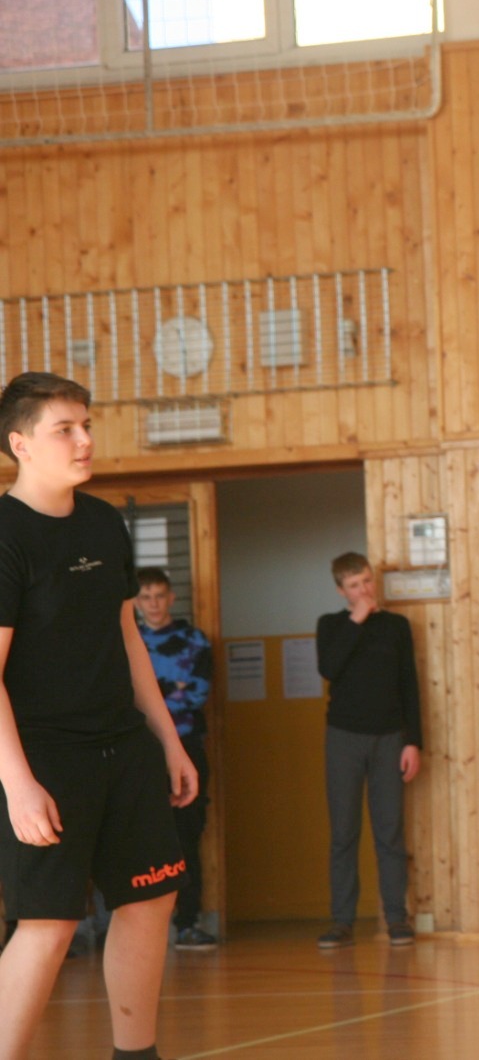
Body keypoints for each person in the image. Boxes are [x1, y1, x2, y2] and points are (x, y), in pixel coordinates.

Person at [0, 371, 200, 1060]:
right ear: (21, 444)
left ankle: (136, 1054)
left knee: (150, 901)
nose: (85, 440)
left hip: (124, 747)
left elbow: (127, 638)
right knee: (49, 924)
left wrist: (168, 741)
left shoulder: (104, 522)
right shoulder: (5, 534)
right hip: (44, 759)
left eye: (86, 425)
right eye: (65, 429)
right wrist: (17, 784)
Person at [314, 553, 422, 949]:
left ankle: (396, 917)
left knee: (389, 831)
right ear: (341, 591)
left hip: (390, 737)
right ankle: (342, 920)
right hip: (343, 737)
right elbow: (329, 668)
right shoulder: (331, 626)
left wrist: (413, 741)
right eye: (354, 585)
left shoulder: (396, 626)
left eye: (366, 581)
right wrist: (356, 620)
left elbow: (409, 684)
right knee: (344, 831)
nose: (363, 590)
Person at [135, 567, 217, 951]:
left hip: (186, 749)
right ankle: (135, 931)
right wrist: (171, 689)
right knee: (135, 840)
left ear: (171, 598)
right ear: (136, 602)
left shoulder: (194, 640)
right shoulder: (127, 642)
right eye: (145, 596)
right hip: (138, 754)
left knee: (187, 837)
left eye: (159, 595)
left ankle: (188, 923)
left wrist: (152, 695)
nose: (153, 604)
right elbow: (125, 702)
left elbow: (195, 694)